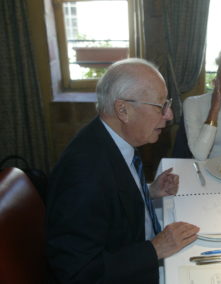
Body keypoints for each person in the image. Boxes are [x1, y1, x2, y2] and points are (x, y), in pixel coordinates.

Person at [46, 58, 199, 283]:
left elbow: (111, 197)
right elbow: (77, 272)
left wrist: (148, 191)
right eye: (161, 106)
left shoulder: (113, 137)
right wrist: (155, 249)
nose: (169, 116)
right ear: (123, 110)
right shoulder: (83, 177)